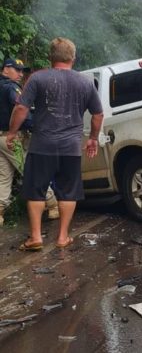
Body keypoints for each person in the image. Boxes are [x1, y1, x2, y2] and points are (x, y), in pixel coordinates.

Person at [6, 38, 103, 251]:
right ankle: (62, 237)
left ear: (51, 57)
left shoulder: (37, 78)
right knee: (69, 191)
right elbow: (98, 113)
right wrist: (94, 138)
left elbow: (21, 109)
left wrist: (12, 133)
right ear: (73, 58)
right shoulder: (85, 82)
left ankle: (35, 237)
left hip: (42, 145)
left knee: (35, 190)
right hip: (70, 148)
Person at [0, 59, 59, 226]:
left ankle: (0, 213)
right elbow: (21, 109)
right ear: (6, 69)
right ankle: (52, 203)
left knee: (3, 176)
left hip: (0, 139)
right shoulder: (11, 88)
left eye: (21, 71)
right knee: (31, 170)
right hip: (14, 138)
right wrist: (35, 126)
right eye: (17, 70)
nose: (20, 74)